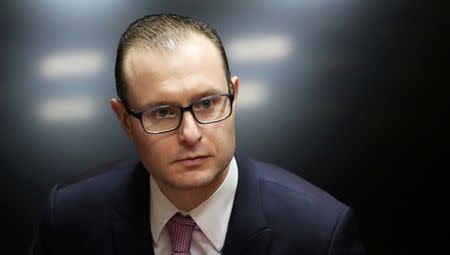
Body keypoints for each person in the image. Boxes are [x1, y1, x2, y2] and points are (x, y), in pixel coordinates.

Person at [31, 14, 365, 255]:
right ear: (124, 120)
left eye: (207, 103)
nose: (190, 134)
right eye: (162, 112)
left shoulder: (321, 232)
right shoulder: (70, 217)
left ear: (234, 96)